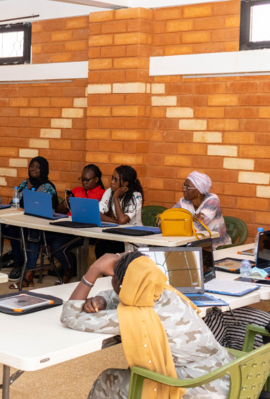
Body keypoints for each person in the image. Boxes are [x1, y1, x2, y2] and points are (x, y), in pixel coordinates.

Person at [60, 251, 234, 398]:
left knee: (106, 380)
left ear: (120, 285)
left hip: (198, 388)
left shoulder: (136, 316)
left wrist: (93, 270)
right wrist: (102, 300)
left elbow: (70, 316)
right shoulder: (166, 292)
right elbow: (122, 294)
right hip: (227, 376)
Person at [0, 157, 58, 289]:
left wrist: (30, 191)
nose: (33, 169)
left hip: (38, 225)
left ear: (44, 169)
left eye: (37, 167)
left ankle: (19, 266)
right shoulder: (23, 183)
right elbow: (14, 204)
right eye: (31, 166)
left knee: (16, 230)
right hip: (21, 221)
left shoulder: (48, 187)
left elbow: (47, 207)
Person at [49, 164, 106, 283]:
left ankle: (68, 270)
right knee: (44, 238)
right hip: (67, 227)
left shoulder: (102, 194)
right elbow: (59, 211)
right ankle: (69, 267)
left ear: (96, 179)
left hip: (86, 233)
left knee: (57, 246)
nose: (84, 183)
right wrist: (66, 202)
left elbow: (104, 216)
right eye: (82, 179)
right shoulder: (76, 190)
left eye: (87, 180)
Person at [94, 165, 144, 259]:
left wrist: (116, 198)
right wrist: (115, 223)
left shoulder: (136, 196)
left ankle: (114, 273)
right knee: (100, 247)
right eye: (112, 178)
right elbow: (97, 213)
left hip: (133, 238)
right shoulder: (109, 191)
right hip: (118, 235)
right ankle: (107, 273)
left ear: (125, 183)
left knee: (111, 248)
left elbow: (122, 220)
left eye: (116, 180)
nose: (111, 182)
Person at [174, 171, 231, 249]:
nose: (184, 189)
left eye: (188, 187)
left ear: (199, 191)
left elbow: (197, 226)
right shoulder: (183, 202)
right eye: (183, 185)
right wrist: (191, 219)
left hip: (217, 248)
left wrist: (180, 222)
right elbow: (165, 221)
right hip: (194, 247)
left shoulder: (213, 200)